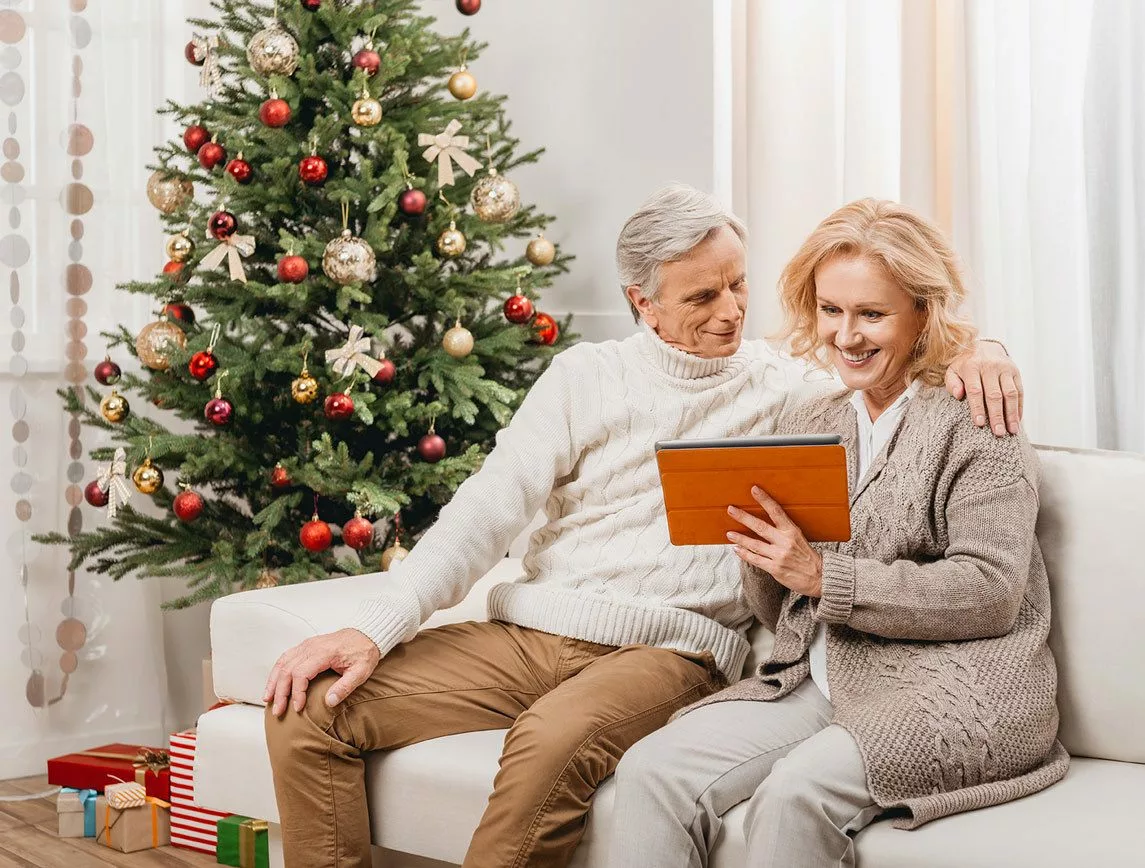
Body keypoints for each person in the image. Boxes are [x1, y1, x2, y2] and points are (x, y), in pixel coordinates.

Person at [260, 185, 1025, 868]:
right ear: (642, 302)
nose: (730, 311)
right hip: (532, 633)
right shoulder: (586, 378)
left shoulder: (790, 389)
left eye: (738, 285)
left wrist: (984, 348)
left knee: (548, 744)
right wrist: (371, 628)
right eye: (701, 298)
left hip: (672, 648)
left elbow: (896, 344)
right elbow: (485, 512)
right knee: (312, 707)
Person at [610, 198, 1068, 868]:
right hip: (820, 677)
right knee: (650, 772)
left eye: (871, 314)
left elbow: (992, 589)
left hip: (957, 688)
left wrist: (824, 576)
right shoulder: (814, 414)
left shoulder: (976, 420)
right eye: (831, 310)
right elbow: (782, 613)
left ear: (922, 313)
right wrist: (766, 556)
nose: (846, 335)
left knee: (793, 796)